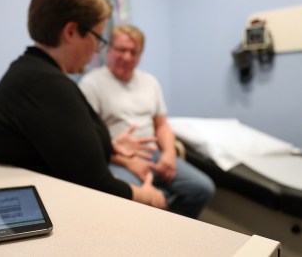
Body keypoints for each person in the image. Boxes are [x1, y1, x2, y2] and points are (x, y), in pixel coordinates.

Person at [0, 0, 167, 210]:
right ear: (71, 32)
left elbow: (66, 147)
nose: (95, 50)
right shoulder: (46, 85)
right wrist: (147, 197)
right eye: (98, 38)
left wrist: (109, 145)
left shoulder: (32, 72)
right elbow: (96, 183)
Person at [79, 24, 215, 218]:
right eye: (121, 49)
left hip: (155, 155)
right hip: (116, 159)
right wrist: (127, 161)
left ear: (140, 55)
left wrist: (168, 154)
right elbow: (88, 141)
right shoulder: (91, 84)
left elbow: (161, 124)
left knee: (203, 188)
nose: (126, 57)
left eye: (133, 52)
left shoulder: (150, 82)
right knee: (141, 203)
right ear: (109, 49)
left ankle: (174, 229)